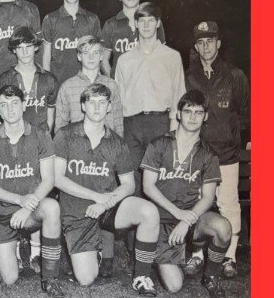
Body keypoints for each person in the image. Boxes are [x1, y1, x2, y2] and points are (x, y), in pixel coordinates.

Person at [54, 83, 161, 296]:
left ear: (109, 107)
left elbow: (129, 184)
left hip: (108, 207)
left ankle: (142, 275)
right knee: (86, 279)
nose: (96, 107)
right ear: (83, 106)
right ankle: (96, 248)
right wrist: (96, 198)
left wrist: (107, 202)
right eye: (91, 102)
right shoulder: (65, 135)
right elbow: (57, 179)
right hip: (77, 210)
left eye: (102, 102)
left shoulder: (117, 142)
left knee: (149, 212)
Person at [141, 91, 231, 297]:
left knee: (223, 227)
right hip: (162, 219)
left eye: (198, 112)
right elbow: (147, 186)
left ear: (206, 116)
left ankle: (210, 276)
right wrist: (177, 214)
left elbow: (208, 196)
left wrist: (186, 220)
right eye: (188, 111)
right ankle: (166, 255)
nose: (192, 117)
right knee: (174, 286)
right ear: (179, 114)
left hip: (191, 219)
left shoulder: (208, 153)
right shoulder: (159, 144)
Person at [0, 85, 64, 296]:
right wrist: (19, 200)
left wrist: (28, 205)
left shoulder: (41, 134)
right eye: (4, 105)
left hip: (29, 209)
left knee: (52, 207)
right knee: (9, 279)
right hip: (0, 214)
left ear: (24, 105)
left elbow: (49, 179)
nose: (10, 109)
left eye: (15, 103)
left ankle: (49, 278)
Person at [184, 22, 250, 278]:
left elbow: (246, 112)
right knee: (199, 203)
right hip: (198, 153)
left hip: (227, 154)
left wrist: (234, 135)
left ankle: (229, 257)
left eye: (210, 40)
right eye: (201, 42)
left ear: (219, 43)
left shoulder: (235, 75)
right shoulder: (189, 75)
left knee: (229, 204)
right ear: (196, 46)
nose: (206, 46)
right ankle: (197, 255)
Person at [114, 3, 186, 175]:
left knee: (159, 176)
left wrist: (174, 131)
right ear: (136, 24)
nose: (146, 25)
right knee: (133, 177)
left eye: (151, 20)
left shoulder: (172, 56)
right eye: (142, 20)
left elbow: (179, 96)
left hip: (159, 123)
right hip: (131, 124)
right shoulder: (124, 60)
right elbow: (118, 99)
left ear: (158, 23)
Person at [41, 0, 102, 85]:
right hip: (58, 85)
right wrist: (48, 85)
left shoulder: (92, 19)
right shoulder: (50, 19)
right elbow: (46, 57)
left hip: (86, 85)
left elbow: (98, 55)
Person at [55, 36, 124, 137]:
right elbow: (60, 127)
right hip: (78, 145)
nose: (91, 57)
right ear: (79, 56)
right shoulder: (67, 86)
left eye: (95, 53)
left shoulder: (112, 85)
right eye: (86, 53)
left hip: (106, 145)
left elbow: (118, 124)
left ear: (101, 56)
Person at [100, 0, 166, 74]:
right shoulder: (110, 24)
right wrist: (112, 84)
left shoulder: (154, 22)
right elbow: (104, 60)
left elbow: (162, 56)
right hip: (120, 85)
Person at [0, 27, 58, 133]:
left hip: (40, 142)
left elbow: (50, 118)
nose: (25, 52)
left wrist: (45, 140)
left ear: (36, 47)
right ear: (14, 50)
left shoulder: (49, 79)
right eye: (20, 48)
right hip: (13, 141)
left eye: (28, 46)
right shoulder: (3, 80)